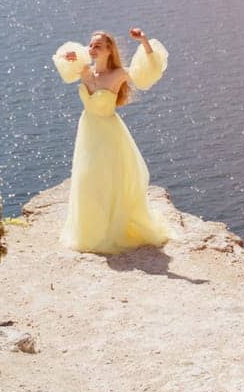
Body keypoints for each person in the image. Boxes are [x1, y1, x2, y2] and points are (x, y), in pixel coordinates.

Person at [51, 27, 179, 254]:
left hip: (109, 134)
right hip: (88, 130)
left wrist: (144, 42)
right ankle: (91, 231)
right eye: (90, 45)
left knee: (109, 179)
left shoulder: (118, 74)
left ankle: (112, 227)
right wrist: (67, 56)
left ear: (110, 50)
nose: (92, 49)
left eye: (98, 45)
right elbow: (61, 62)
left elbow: (147, 72)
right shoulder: (84, 71)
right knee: (88, 178)